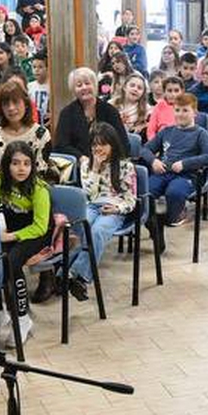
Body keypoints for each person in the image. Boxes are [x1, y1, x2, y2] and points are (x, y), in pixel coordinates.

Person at [0, 140, 49, 342]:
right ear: (7, 164)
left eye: (27, 163)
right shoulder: (1, 180)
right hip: (11, 230)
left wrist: (11, 236)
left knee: (10, 261)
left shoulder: (39, 188)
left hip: (36, 234)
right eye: (16, 163)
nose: (21, 168)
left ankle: (22, 317)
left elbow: (41, 227)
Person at [64, 123, 135, 303]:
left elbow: (131, 199)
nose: (98, 149)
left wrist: (118, 209)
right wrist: (95, 168)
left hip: (113, 207)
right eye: (94, 145)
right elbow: (89, 194)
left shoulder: (126, 166)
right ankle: (72, 276)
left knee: (97, 231)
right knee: (80, 228)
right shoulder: (86, 164)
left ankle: (75, 275)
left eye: (103, 144)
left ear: (112, 144)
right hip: (91, 204)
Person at [144, 93, 208, 229]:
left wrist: (185, 164)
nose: (180, 114)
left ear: (194, 113)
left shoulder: (200, 133)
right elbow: (145, 150)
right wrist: (153, 161)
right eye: (177, 110)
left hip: (187, 175)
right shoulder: (167, 131)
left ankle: (177, 215)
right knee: (146, 190)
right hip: (163, 172)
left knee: (174, 193)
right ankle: (152, 223)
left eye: (185, 110)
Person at [0, 78, 51, 182]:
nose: (11, 108)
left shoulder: (41, 134)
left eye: (16, 102)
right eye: (6, 104)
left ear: (26, 104)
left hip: (32, 191)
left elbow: (40, 173)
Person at [53, 67, 128, 162]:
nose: (84, 87)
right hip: (80, 166)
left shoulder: (110, 110)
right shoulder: (67, 113)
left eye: (88, 83)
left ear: (95, 85)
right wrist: (80, 157)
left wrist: (106, 158)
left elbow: (122, 143)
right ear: (73, 90)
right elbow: (61, 145)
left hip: (109, 163)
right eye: (79, 85)